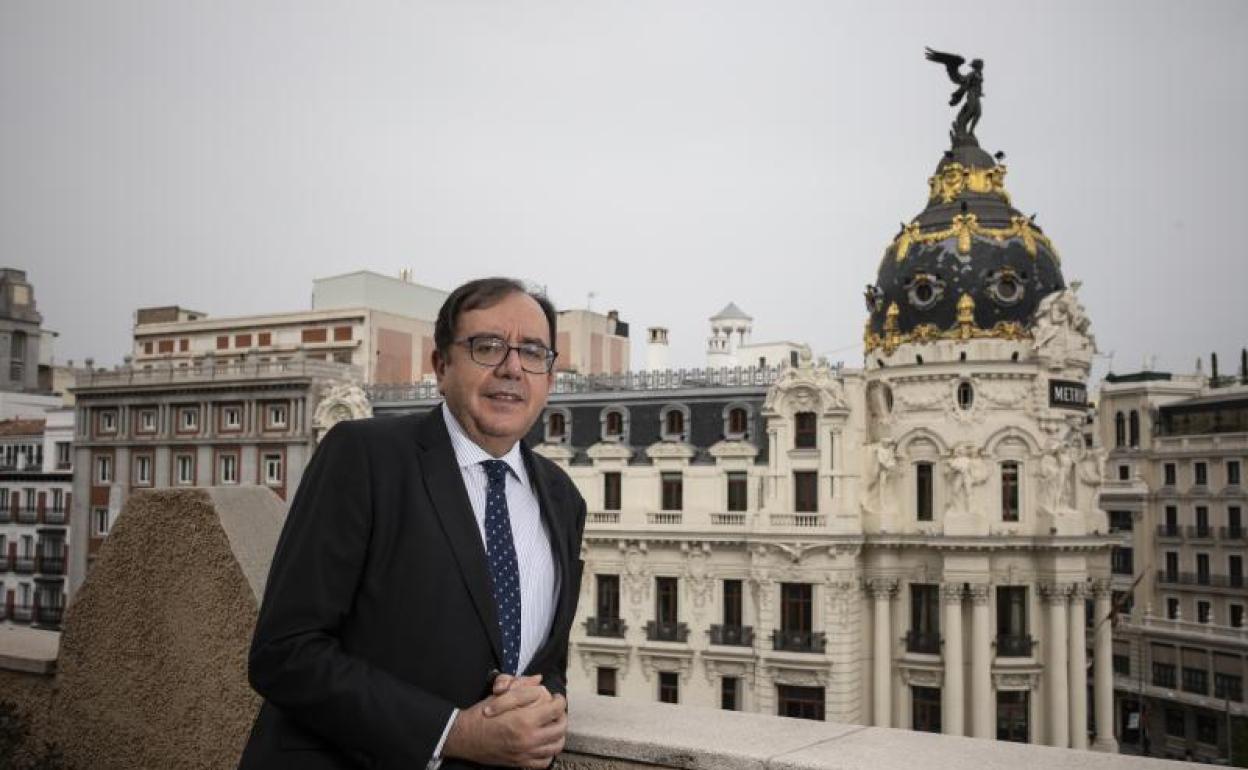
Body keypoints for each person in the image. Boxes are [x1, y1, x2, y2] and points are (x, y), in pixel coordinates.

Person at [239, 277, 587, 770]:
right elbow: (285, 653)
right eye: (487, 347)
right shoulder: (363, 456)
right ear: (441, 366)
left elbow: (546, 662)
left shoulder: (563, 499)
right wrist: (452, 733)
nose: (512, 368)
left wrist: (544, 706)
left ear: (549, 378)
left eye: (532, 352)